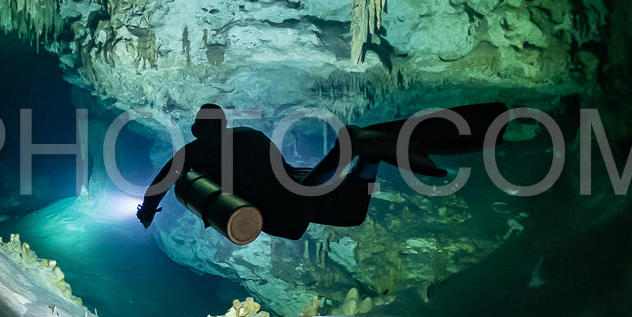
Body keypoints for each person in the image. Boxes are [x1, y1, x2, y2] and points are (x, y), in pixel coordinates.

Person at [136, 102, 508, 241]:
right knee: (352, 212)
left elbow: (160, 184)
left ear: (199, 129)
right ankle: (371, 151)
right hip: (296, 179)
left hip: (275, 198)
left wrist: (147, 213)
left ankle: (352, 144)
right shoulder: (247, 132)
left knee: (294, 218)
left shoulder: (192, 150)